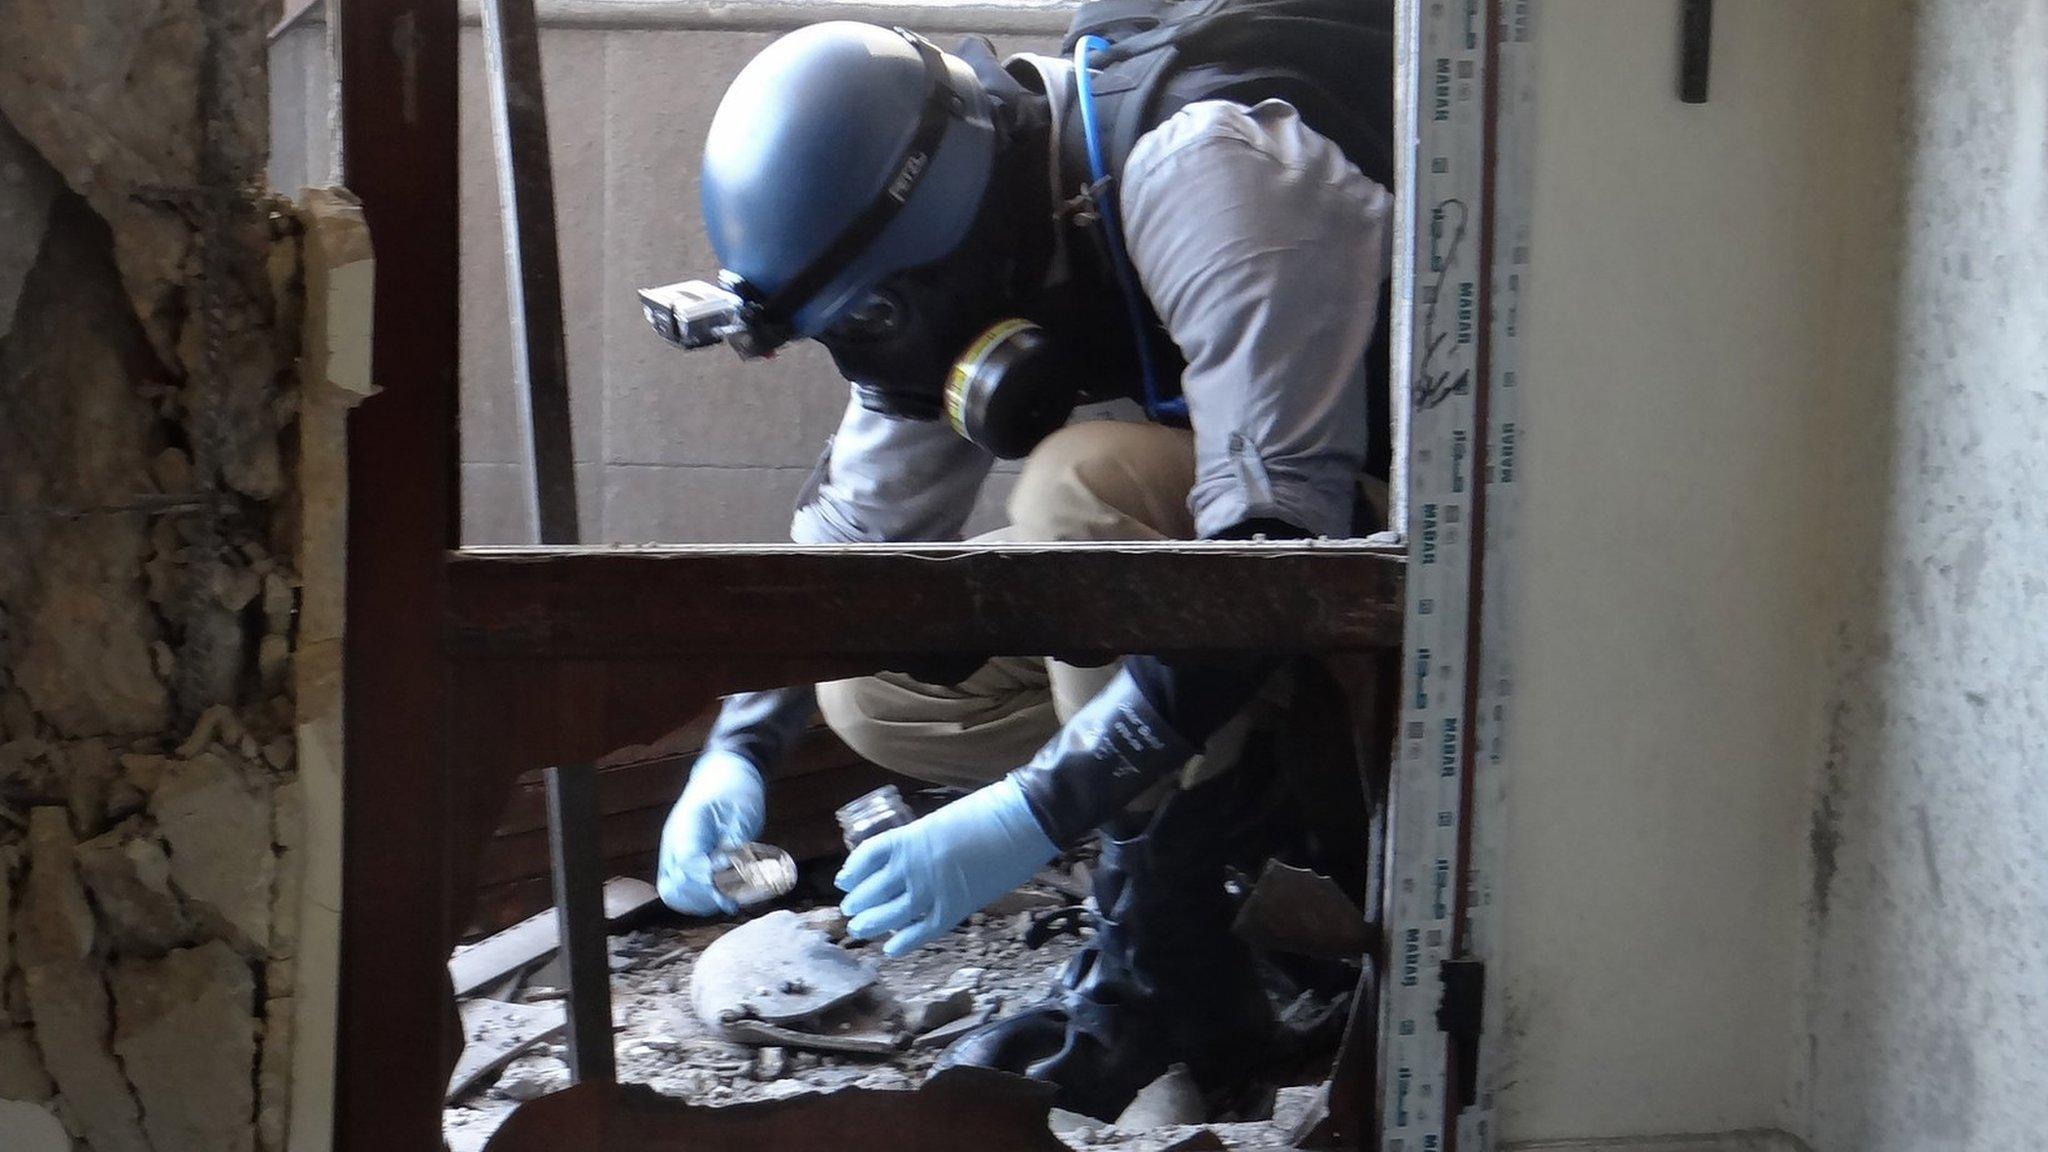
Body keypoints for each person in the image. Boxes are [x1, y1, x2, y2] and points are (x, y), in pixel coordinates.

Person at [647, 1, 1394, 1120]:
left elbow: (1274, 557)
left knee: (1075, 487)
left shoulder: (1212, 169)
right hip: (1265, 570)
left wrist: (1032, 813)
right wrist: (739, 746)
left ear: (935, 244)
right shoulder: (981, 242)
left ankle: (1155, 966)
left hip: (1414, 537)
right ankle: (1227, 894)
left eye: (872, 322)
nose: (875, 360)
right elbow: (853, 552)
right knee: (874, 683)